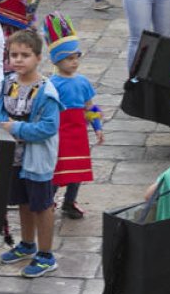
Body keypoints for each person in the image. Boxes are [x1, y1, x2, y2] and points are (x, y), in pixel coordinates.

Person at [0, 29, 62, 278]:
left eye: (25, 55)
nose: (19, 60)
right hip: (15, 158)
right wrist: (4, 123)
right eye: (14, 55)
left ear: (37, 57)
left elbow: (49, 127)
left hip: (37, 160)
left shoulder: (46, 91)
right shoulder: (8, 83)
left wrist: (16, 128)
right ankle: (26, 243)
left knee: (42, 206)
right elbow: (1, 112)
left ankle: (46, 255)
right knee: (23, 202)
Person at [43, 13, 103, 220]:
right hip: (60, 132)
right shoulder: (51, 84)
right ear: (57, 60)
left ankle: (70, 201)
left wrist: (97, 127)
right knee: (59, 170)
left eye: (76, 57)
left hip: (79, 133)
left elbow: (90, 107)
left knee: (78, 170)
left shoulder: (83, 82)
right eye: (69, 59)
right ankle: (48, 200)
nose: (74, 62)